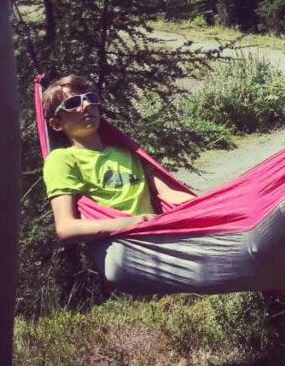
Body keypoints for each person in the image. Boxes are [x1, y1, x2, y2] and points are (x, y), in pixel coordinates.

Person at [41, 74, 195, 242]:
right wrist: (130, 223)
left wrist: (209, 204)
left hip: (154, 236)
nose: (87, 105)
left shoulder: (127, 152)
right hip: (122, 244)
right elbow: (66, 228)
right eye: (73, 103)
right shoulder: (61, 160)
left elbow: (168, 193)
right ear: (56, 124)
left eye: (91, 98)